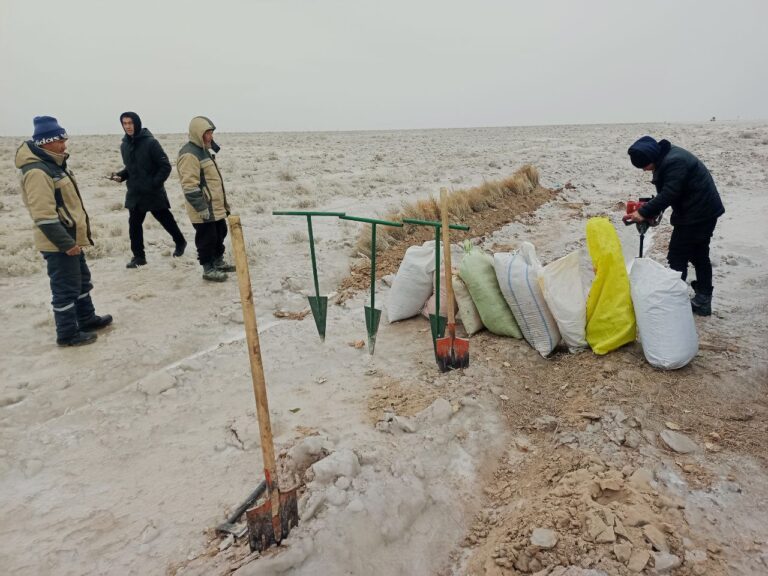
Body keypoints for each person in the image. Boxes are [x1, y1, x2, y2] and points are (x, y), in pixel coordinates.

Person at [16, 116, 113, 346]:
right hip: (58, 243)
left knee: (81, 282)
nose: (64, 144)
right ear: (46, 142)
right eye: (60, 140)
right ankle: (67, 334)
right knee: (65, 288)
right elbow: (43, 216)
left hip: (71, 237)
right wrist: (66, 244)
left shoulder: (55, 165)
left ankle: (86, 319)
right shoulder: (37, 171)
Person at [626, 136, 725, 316]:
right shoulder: (667, 157)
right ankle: (702, 297)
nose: (644, 170)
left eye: (644, 166)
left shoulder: (675, 162)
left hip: (699, 213)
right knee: (698, 254)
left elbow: (670, 193)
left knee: (678, 255)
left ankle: (675, 299)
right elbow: (670, 193)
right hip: (699, 210)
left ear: (651, 158)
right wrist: (651, 211)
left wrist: (643, 212)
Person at [110, 112, 187, 268]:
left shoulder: (151, 143)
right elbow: (131, 168)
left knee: (166, 220)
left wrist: (154, 183)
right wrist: (121, 176)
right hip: (135, 193)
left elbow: (165, 166)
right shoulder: (124, 145)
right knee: (134, 225)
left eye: (130, 123)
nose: (128, 126)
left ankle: (180, 242)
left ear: (137, 123)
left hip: (153, 192)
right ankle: (139, 257)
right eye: (125, 123)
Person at [176, 116, 234, 282]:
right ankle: (208, 268)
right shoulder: (189, 154)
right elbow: (189, 185)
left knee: (220, 233)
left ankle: (218, 262)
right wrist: (201, 207)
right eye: (207, 133)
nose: (210, 136)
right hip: (204, 207)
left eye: (211, 133)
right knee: (207, 239)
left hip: (215, 206)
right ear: (198, 133)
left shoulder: (203, 150)